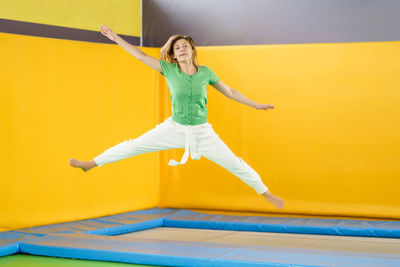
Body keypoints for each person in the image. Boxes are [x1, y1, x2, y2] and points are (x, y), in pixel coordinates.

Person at [69, 24, 285, 209]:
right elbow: (141, 56)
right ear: (172, 54)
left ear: (192, 50)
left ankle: (266, 193)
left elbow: (230, 92)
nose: (181, 49)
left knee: (235, 164)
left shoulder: (206, 72)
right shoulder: (168, 69)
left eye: (185, 46)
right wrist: (115, 38)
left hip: (202, 133)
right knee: (133, 145)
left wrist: (256, 105)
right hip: (174, 129)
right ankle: (92, 163)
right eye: (177, 48)